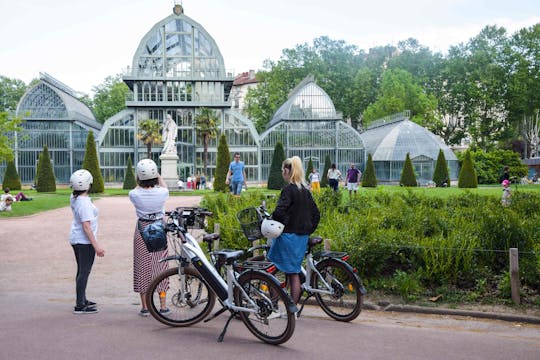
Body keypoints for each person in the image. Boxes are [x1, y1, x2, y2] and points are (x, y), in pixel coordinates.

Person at [267, 156, 320, 306]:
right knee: (293, 271)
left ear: (286, 171)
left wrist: (280, 223)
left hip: (287, 237)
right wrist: (308, 230)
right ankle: (292, 310)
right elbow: (316, 214)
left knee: (270, 268)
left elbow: (279, 212)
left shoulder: (288, 190)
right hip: (301, 238)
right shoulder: (305, 191)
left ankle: (274, 302)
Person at [129, 159, 170, 317]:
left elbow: (137, 188)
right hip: (159, 227)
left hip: (142, 229)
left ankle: (145, 307)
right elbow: (165, 186)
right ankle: (163, 305)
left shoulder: (134, 194)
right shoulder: (162, 193)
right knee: (161, 267)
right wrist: (158, 175)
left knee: (142, 267)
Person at [68, 169, 105, 314]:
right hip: (84, 242)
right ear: (89, 184)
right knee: (84, 272)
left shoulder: (75, 197)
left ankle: (82, 299)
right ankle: (80, 305)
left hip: (77, 239)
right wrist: (97, 246)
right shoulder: (84, 203)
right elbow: (86, 227)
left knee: (81, 271)